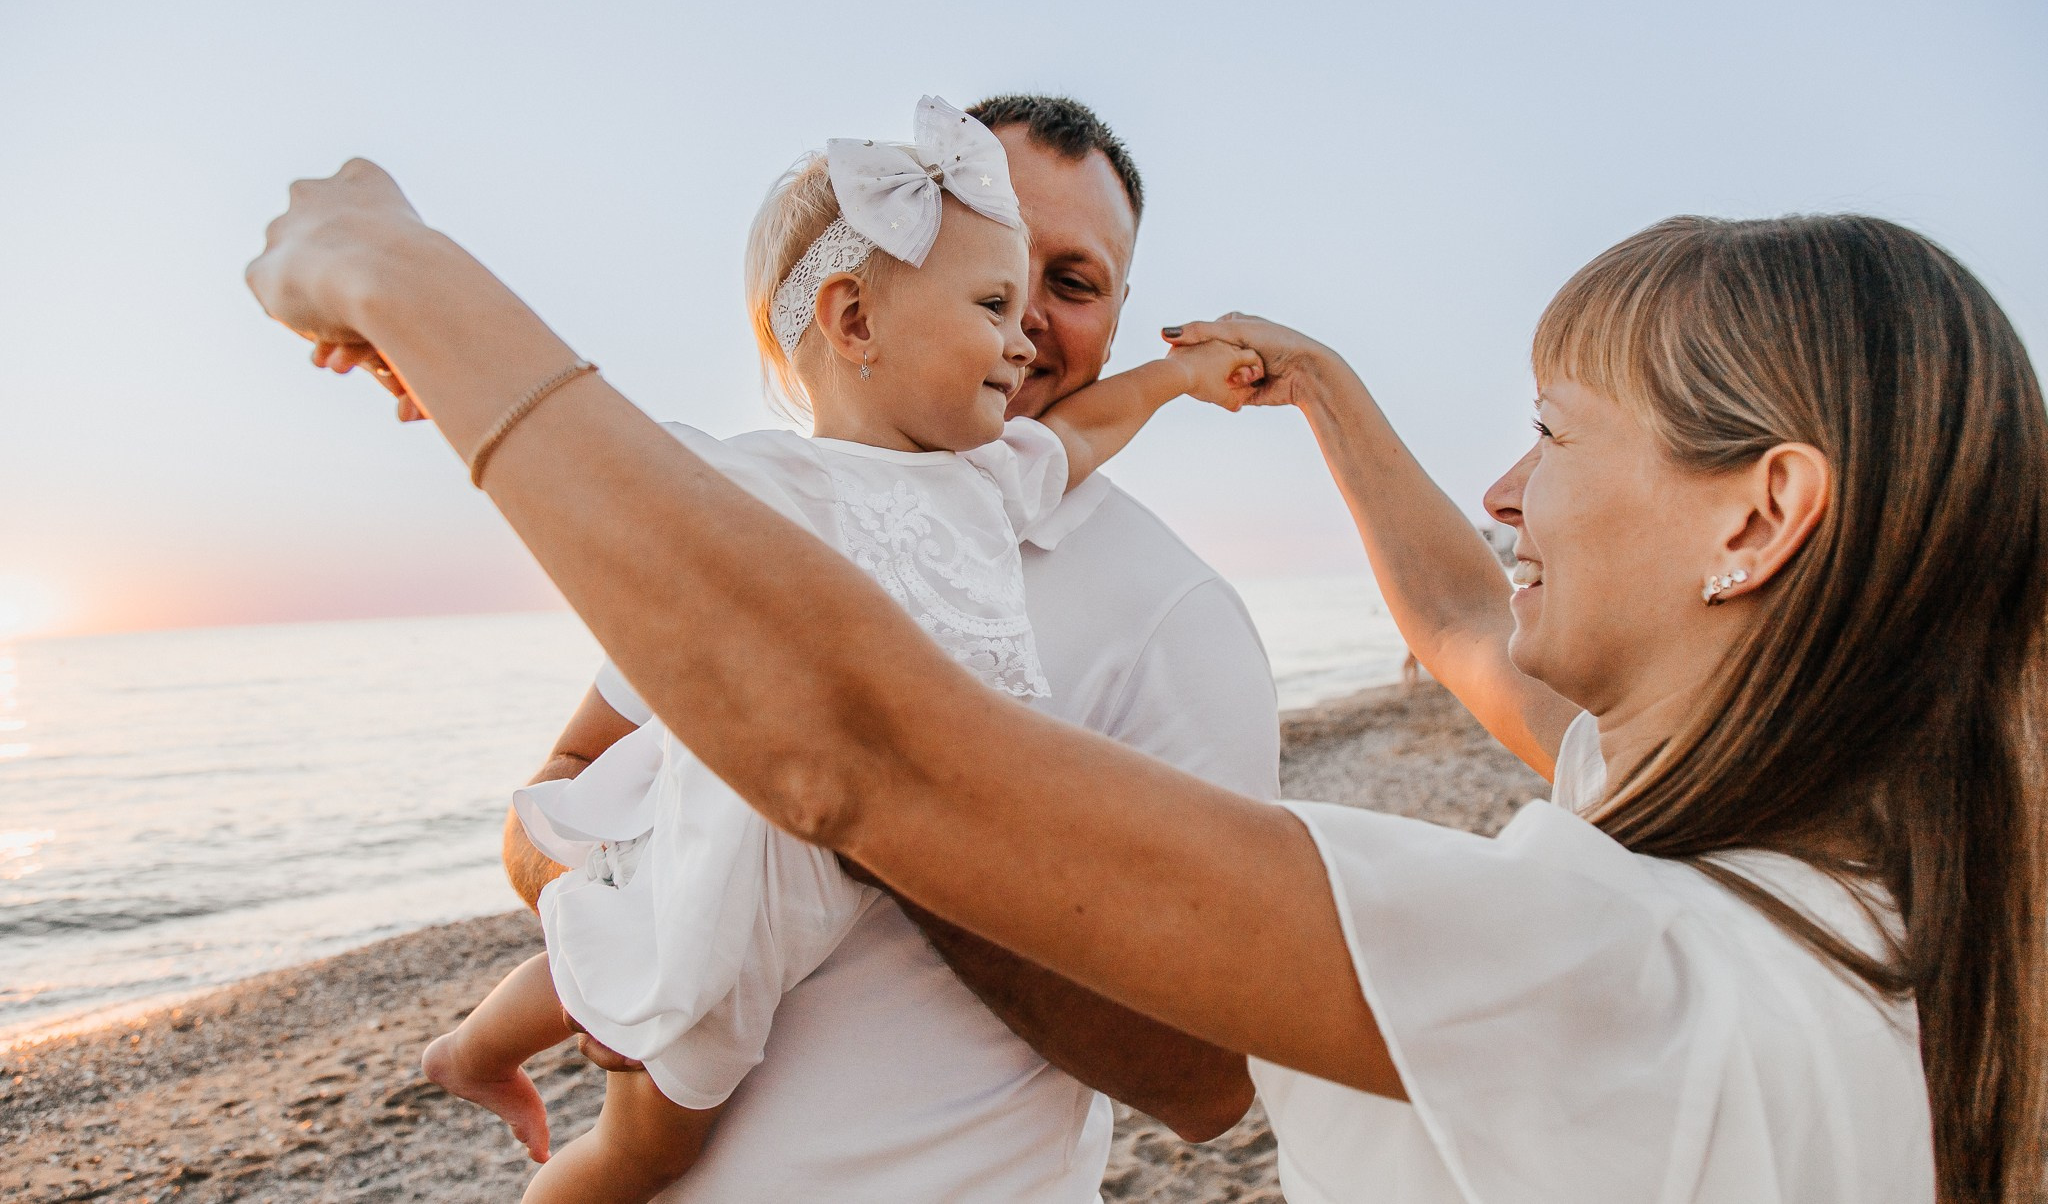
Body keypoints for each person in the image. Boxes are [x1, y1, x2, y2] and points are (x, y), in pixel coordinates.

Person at [254, 155, 2046, 1201]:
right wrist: (1332, 395)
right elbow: (1459, 631)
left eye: (1549, 435)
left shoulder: (1612, 960)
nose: (1505, 491)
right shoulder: (1860, 884)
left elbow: (871, 751)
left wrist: (400, 274)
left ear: (1758, 520)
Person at [411, 98, 1259, 1202]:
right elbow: (566, 784)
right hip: (709, 893)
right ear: (861, 317)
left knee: (640, 1144)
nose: (1025, 330)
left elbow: (1208, 1086)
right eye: (995, 290)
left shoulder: (1163, 606)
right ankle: (479, 1050)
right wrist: (615, 903)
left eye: (1073, 284)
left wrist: (883, 817)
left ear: (1122, 307)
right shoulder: (755, 505)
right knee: (623, 1044)